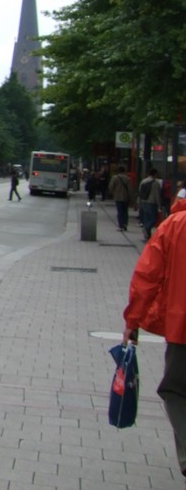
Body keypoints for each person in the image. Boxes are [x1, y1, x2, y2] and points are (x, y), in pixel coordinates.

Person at [122, 197, 186, 485]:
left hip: (183, 330)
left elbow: (147, 277)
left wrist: (132, 322)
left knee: (176, 391)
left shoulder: (174, 225)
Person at [140, 168, 163, 241]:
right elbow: (157, 195)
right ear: (155, 174)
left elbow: (140, 191)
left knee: (146, 219)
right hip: (152, 203)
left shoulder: (143, 181)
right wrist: (159, 205)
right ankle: (146, 228)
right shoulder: (155, 183)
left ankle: (147, 236)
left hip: (144, 202)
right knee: (154, 219)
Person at [108, 164, 133, 231]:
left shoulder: (115, 178)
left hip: (118, 197)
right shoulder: (128, 178)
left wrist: (112, 192)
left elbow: (110, 187)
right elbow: (130, 189)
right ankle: (125, 223)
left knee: (120, 211)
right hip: (126, 198)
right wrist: (131, 198)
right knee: (125, 211)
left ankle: (121, 225)